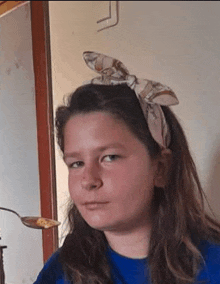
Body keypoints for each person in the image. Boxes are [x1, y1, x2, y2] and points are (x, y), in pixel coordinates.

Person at [34, 52, 220, 284]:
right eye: (77, 163)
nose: (88, 180)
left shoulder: (213, 264)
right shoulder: (62, 271)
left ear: (161, 168)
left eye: (109, 157)